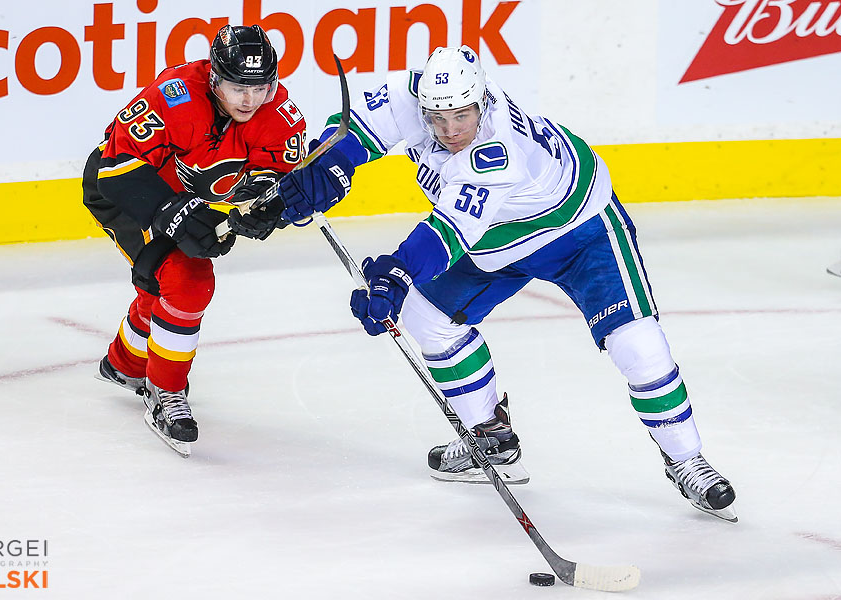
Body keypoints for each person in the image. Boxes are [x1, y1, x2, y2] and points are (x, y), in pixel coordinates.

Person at [247, 45, 738, 521]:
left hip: (579, 230)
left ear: (481, 102)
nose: (449, 130)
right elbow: (357, 128)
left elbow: (447, 233)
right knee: (427, 319)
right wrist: (327, 166)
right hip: (496, 238)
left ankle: (686, 460)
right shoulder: (417, 95)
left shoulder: (496, 152)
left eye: (461, 117)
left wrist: (395, 273)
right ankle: (491, 438)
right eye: (437, 119)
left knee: (638, 345)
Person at [83, 24, 306, 453]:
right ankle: (164, 391)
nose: (249, 100)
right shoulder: (174, 95)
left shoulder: (278, 113)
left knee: (164, 282)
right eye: (238, 87)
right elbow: (116, 169)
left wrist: (268, 209)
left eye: (259, 87)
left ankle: (124, 363)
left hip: (187, 197)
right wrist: (174, 213)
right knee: (188, 280)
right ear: (214, 78)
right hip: (131, 191)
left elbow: (275, 176)